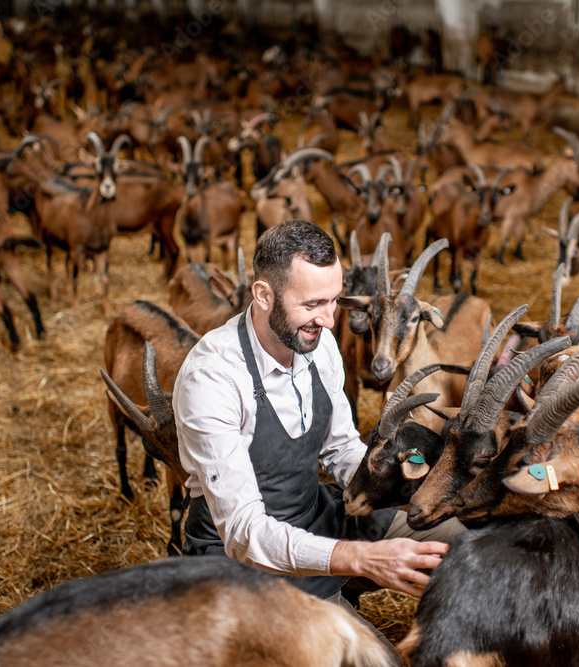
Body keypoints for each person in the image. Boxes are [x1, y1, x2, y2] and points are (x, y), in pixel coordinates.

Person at [173, 219, 464, 610]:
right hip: (248, 569)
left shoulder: (317, 341)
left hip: (321, 518)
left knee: (467, 531)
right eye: (312, 304)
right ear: (263, 295)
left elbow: (341, 447)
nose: (329, 320)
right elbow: (244, 533)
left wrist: (405, 491)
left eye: (333, 300)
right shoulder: (213, 378)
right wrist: (361, 558)